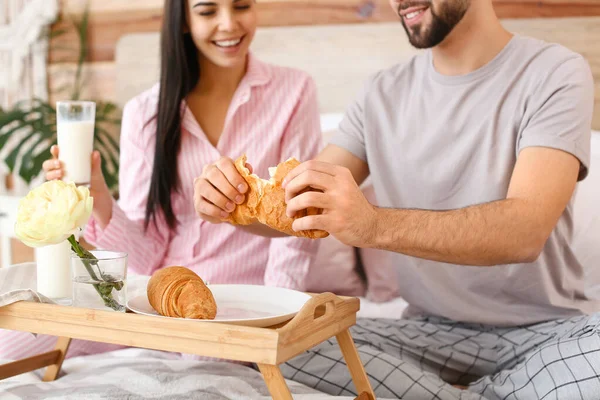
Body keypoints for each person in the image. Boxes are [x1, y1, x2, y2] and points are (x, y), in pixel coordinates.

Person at [195, 0, 599, 398]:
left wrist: (372, 225)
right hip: (425, 333)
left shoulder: (555, 72)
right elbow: (299, 204)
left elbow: (524, 232)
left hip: (547, 332)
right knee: (285, 345)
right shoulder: (380, 94)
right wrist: (231, 203)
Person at [0, 0, 321, 361]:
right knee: (11, 345)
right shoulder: (146, 113)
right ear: (183, 21)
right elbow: (145, 252)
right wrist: (99, 192)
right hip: (154, 300)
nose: (229, 24)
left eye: (242, 6)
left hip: (245, 302)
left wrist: (281, 318)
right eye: (207, 11)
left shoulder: (294, 91)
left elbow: (297, 227)